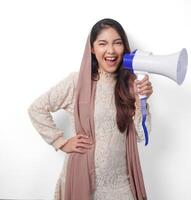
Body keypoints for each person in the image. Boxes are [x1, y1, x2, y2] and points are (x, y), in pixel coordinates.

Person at [28, 18, 153, 200]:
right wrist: (61, 142)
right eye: (103, 43)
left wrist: (141, 101)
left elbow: (142, 136)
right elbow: (36, 109)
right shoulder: (77, 82)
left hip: (120, 184)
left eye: (117, 43)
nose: (111, 50)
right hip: (83, 180)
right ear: (92, 49)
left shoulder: (130, 85)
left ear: (124, 48)